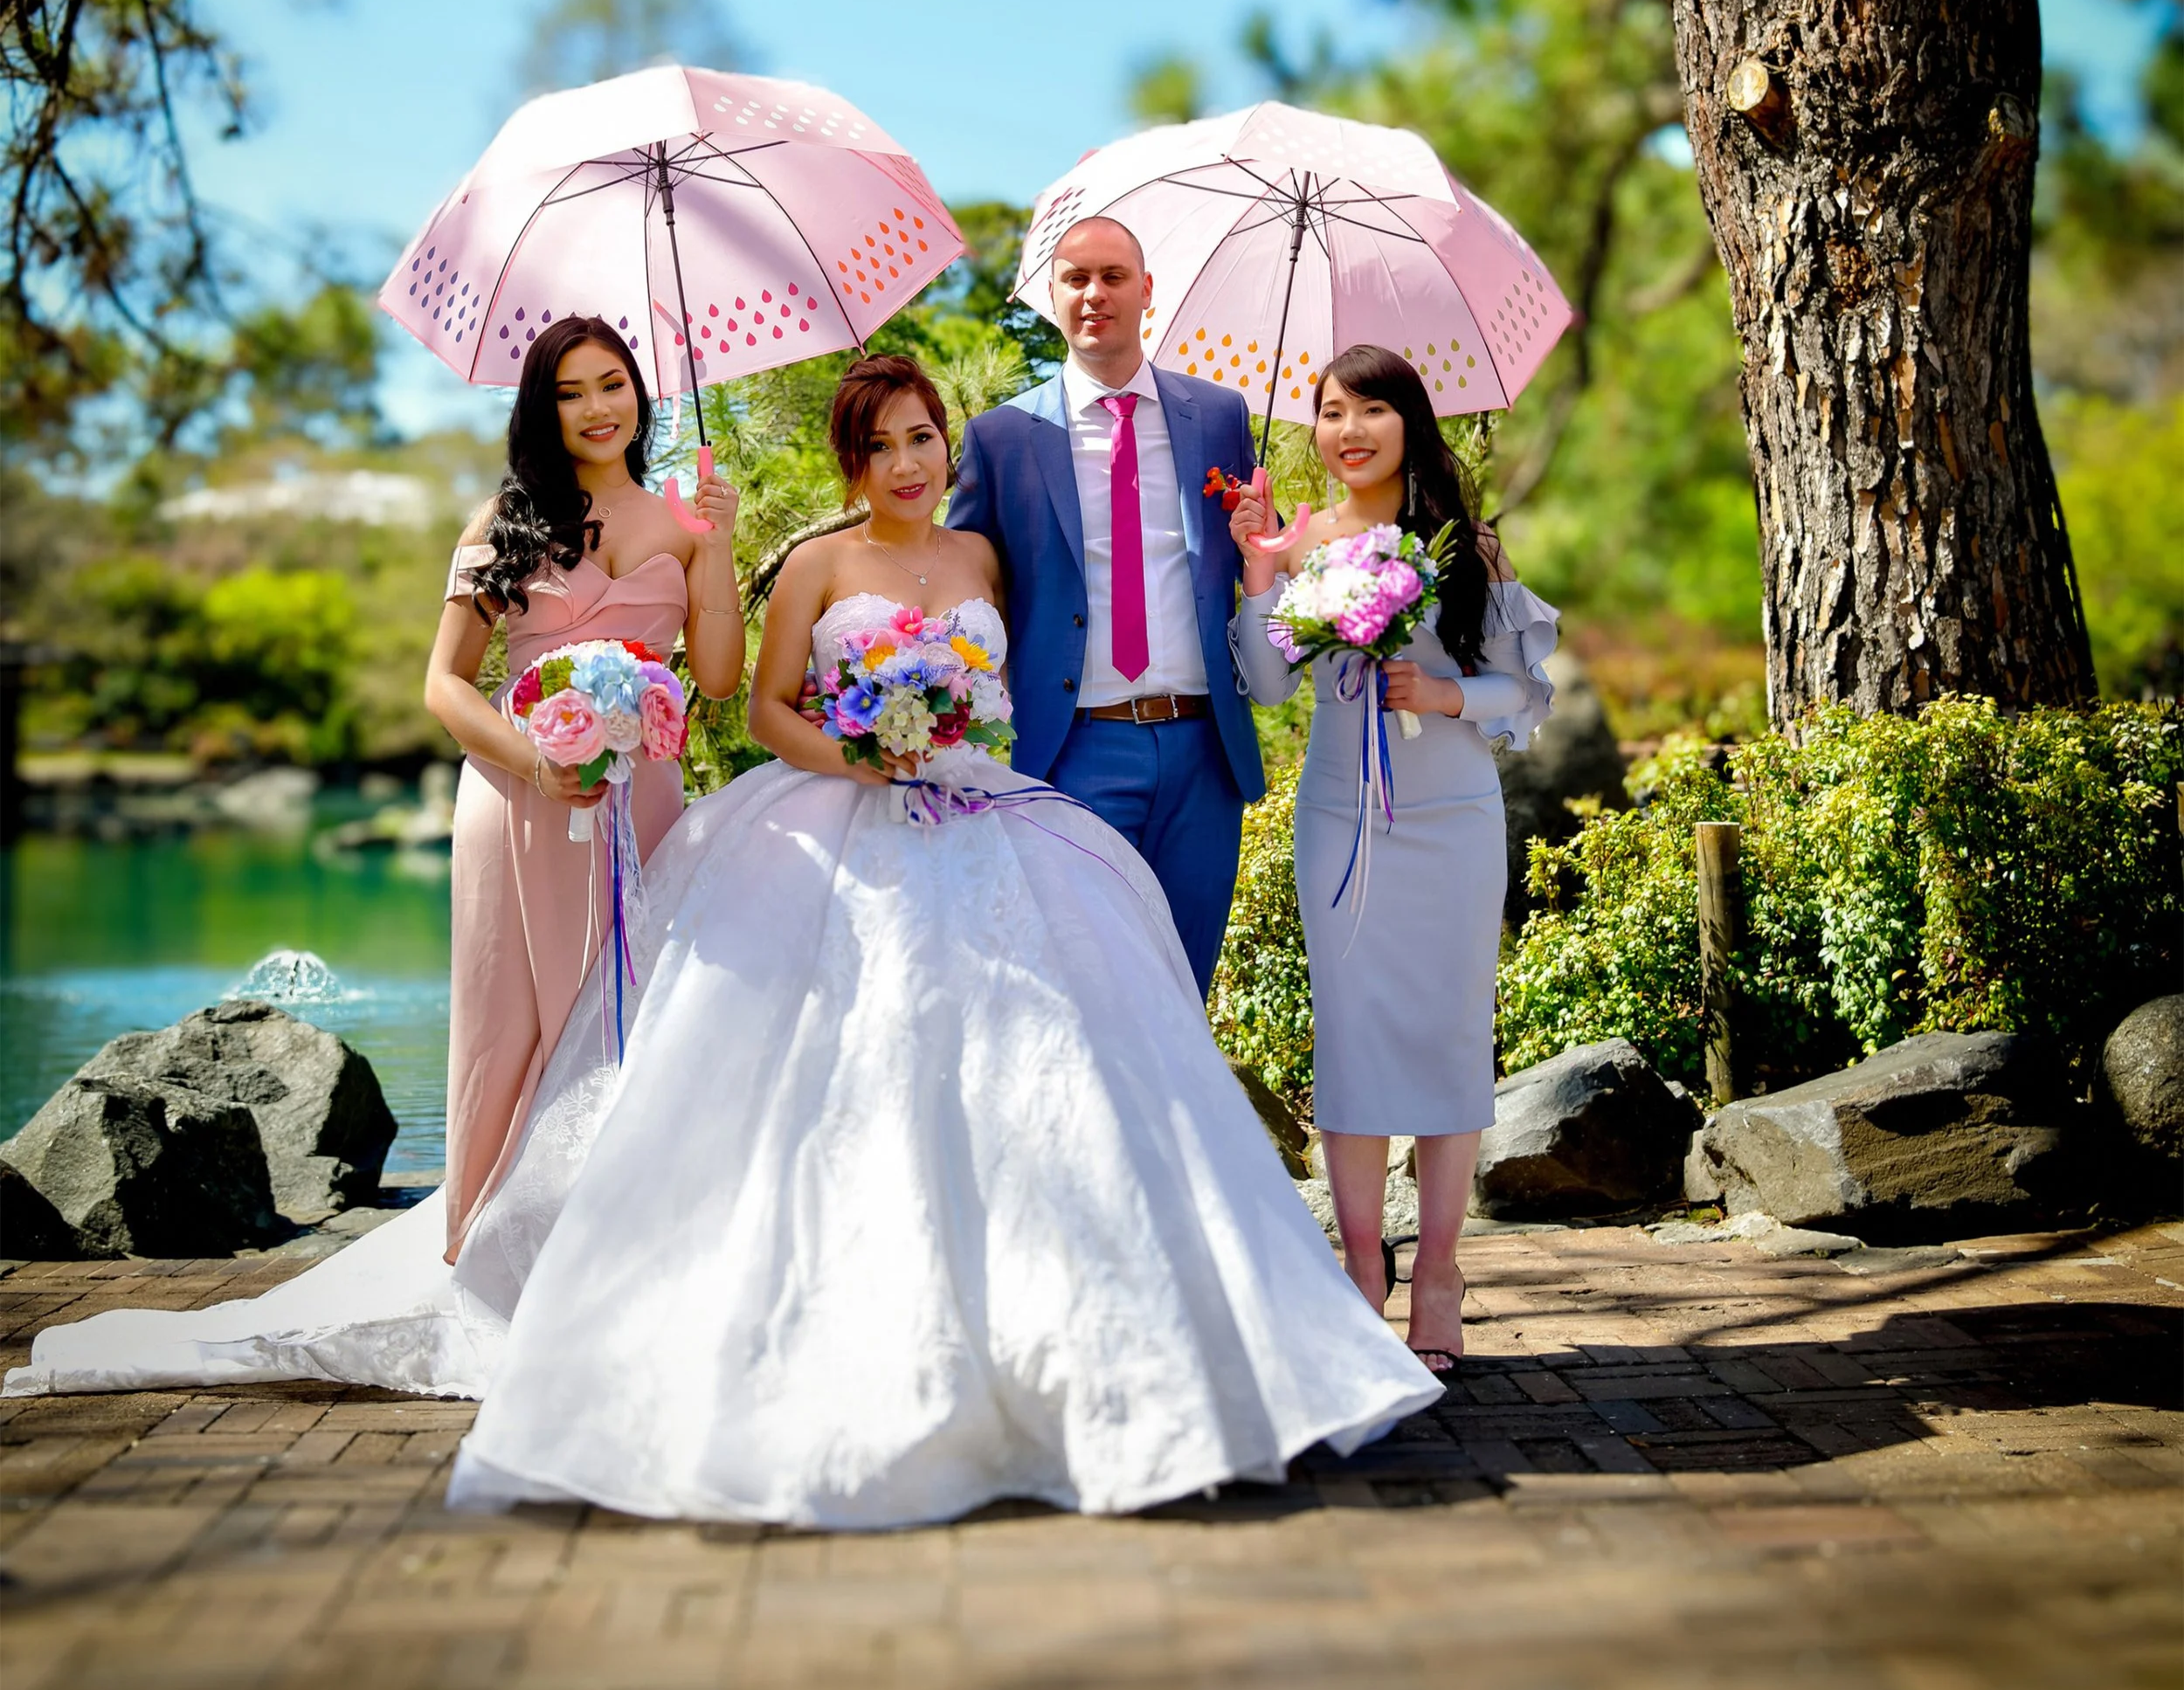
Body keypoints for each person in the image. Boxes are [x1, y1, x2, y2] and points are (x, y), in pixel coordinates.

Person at [10, 352, 1439, 1533]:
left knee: (1048, 1046)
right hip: (836, 813)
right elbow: (754, 706)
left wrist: (964, 733)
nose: (909, 457)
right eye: (882, 440)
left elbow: (1029, 673)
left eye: (925, 434)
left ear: (950, 445)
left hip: (977, 809)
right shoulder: (813, 560)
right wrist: (863, 750)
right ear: (849, 458)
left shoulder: (984, 549)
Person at [1229, 344, 1558, 1371]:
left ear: (1409, 422)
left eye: (1372, 409)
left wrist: (1447, 694)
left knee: (1450, 1031)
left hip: (1451, 818)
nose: (1350, 430)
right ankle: (1360, 1264)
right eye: (1331, 412)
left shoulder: (1466, 548)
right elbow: (1267, 688)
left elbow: (1523, 693)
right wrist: (1259, 574)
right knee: (1353, 1030)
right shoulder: (1305, 542)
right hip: (1340, 818)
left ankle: (1444, 1270)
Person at [425, 314, 743, 1256]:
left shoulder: (689, 516)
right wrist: (535, 761)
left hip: (640, 803)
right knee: (509, 1022)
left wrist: (717, 543)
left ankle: (619, 1252)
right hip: (517, 801)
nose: (596, 407)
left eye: (611, 383)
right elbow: (443, 683)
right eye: (569, 393)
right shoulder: (502, 525)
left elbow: (720, 679)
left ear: (640, 396)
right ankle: (490, 1244)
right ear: (542, 410)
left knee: (631, 1013)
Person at [947, 214, 1260, 993]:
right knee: (1085, 987)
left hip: (1204, 748)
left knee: (1186, 987)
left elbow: (1254, 559)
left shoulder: (1219, 417)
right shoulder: (1004, 435)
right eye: (1076, 278)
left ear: (1147, 290)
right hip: (1072, 748)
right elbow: (963, 584)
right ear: (1049, 297)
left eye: (1114, 276)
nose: (1095, 294)